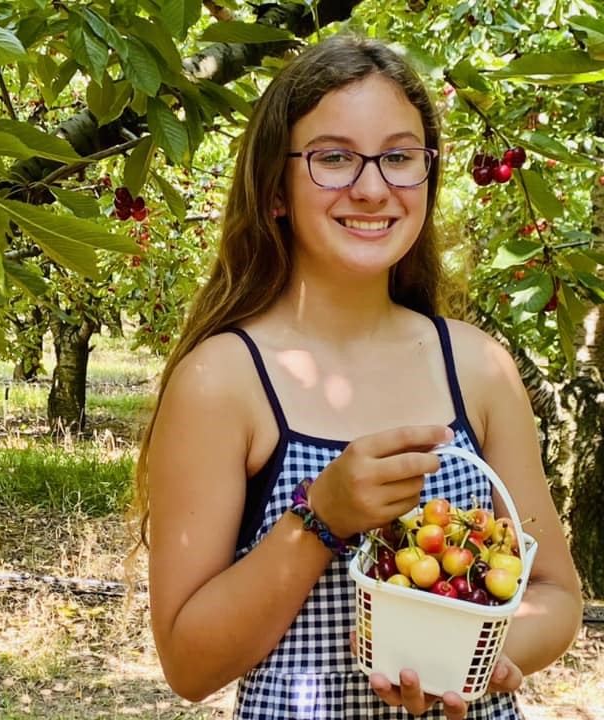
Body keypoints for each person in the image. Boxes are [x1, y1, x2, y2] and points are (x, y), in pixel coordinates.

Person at [137, 33, 582, 720]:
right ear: (275, 189)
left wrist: (478, 650)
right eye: (334, 158)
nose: (372, 188)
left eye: (400, 157)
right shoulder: (224, 381)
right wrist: (323, 518)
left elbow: (555, 591)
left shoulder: (477, 367)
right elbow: (189, 663)